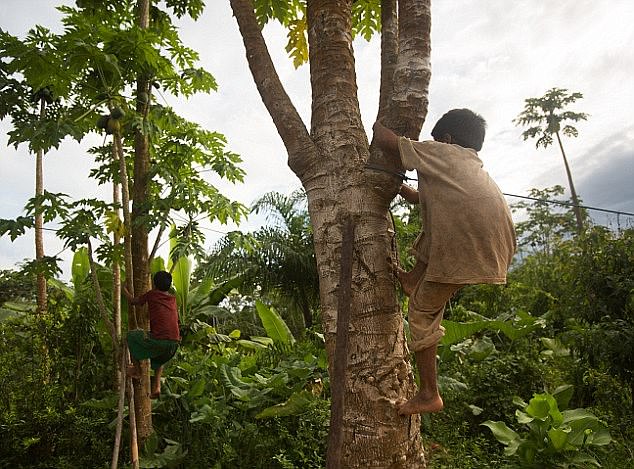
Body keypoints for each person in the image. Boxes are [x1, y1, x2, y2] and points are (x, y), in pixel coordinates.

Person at [372, 109, 516, 415]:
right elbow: (420, 199)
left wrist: (371, 122)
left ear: (447, 140)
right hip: (493, 244)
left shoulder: (442, 152)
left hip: (470, 247)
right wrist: (398, 187)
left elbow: (387, 140)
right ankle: (412, 279)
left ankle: (428, 394)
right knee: (435, 227)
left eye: (435, 140)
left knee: (423, 311)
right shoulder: (465, 166)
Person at [123, 270, 180, 399]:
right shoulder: (173, 299)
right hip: (174, 344)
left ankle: (137, 370)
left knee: (131, 336)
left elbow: (133, 301)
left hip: (161, 341)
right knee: (159, 358)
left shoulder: (152, 295)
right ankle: (157, 387)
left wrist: (123, 289)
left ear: (154, 284)